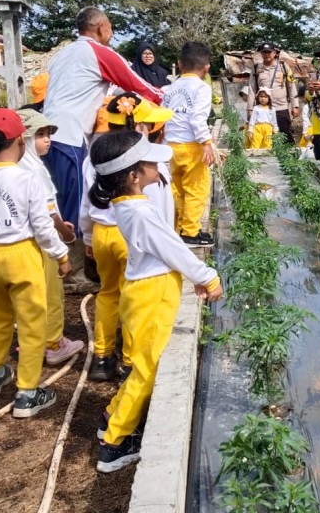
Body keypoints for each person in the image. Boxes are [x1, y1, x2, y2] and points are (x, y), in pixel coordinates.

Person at [87, 131, 223, 473]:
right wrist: (205, 276)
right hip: (153, 293)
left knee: (142, 365)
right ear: (134, 175)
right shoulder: (142, 213)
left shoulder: (125, 206)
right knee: (147, 371)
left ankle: (111, 417)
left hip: (141, 290)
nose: (156, 166)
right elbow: (173, 249)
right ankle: (115, 443)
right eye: (149, 162)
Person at [0, 109, 73, 418]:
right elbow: (43, 226)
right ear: (21, 140)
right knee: (32, 324)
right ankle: (28, 392)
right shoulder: (27, 179)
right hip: (21, 255)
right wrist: (60, 254)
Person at [81, 95, 175, 382]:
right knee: (136, 300)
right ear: (142, 126)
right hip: (131, 238)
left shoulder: (94, 156)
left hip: (101, 234)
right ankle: (130, 361)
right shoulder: (147, 164)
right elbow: (162, 213)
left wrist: (86, 237)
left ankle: (101, 356)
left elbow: (87, 204)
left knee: (108, 293)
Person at [43, 7, 164, 228]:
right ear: (100, 28)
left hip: (47, 134)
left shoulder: (62, 54)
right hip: (70, 136)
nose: (113, 32)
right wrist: (168, 95)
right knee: (74, 206)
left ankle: (61, 256)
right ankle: (76, 259)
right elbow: (141, 87)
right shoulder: (99, 53)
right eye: (110, 27)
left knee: (54, 204)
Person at [17, 108, 85, 367]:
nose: (47, 140)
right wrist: (64, 232)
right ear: (23, 138)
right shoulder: (35, 171)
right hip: (43, 242)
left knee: (29, 296)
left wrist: (57, 220)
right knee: (51, 293)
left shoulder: (20, 166)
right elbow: (47, 213)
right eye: (40, 135)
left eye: (48, 134)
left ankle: (29, 340)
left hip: (24, 242)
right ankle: (54, 344)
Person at [162, 42, 218, 246]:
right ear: (206, 67)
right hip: (191, 145)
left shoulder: (169, 88)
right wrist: (206, 143)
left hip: (170, 145)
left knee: (177, 188)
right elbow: (196, 119)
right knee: (196, 188)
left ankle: (179, 227)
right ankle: (191, 233)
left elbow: (163, 116)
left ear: (179, 64)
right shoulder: (201, 88)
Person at [247, 42, 298, 144]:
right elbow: (252, 89)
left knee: (285, 137)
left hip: (281, 108)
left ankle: (291, 159)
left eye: (269, 52)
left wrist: (295, 106)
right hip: (263, 110)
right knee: (266, 139)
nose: (266, 54)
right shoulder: (257, 68)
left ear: (274, 53)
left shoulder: (283, 67)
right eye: (264, 52)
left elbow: (291, 86)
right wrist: (249, 109)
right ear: (261, 54)